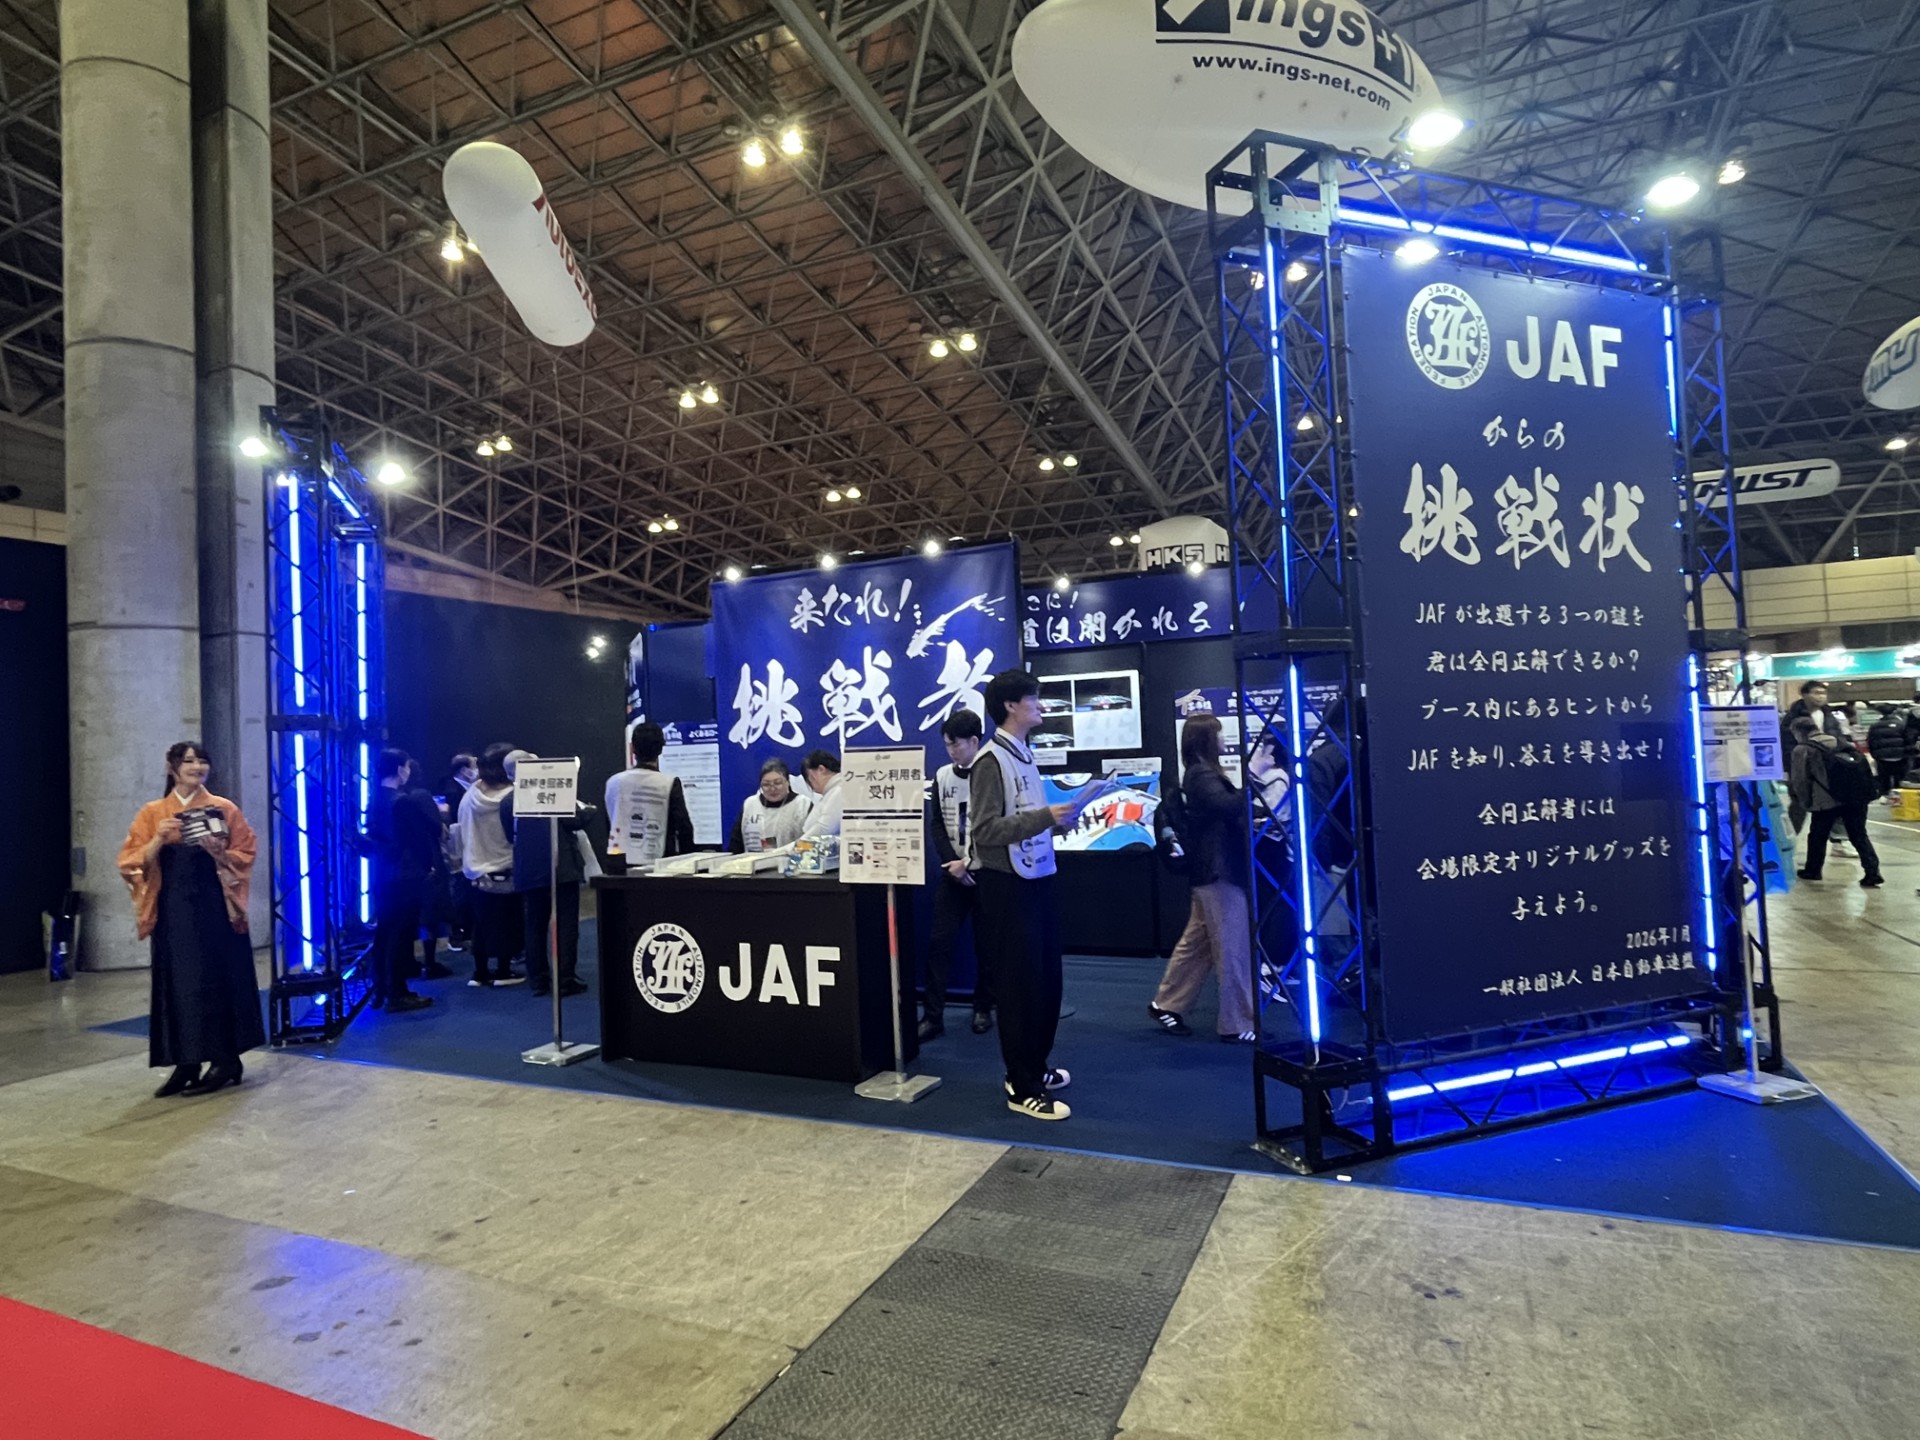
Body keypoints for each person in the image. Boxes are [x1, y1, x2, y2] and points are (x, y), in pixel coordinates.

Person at [116, 741, 265, 1097]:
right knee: (178, 983)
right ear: (172, 768)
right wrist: (158, 839)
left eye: (202, 761)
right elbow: (130, 862)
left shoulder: (223, 808)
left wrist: (220, 852)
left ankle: (225, 1060)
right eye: (188, 761)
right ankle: (186, 1061)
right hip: (173, 909)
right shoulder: (153, 812)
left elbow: (246, 851)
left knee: (216, 978)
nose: (197, 767)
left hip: (215, 907)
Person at [970, 669, 1086, 1121]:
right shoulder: (990, 760)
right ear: (1010, 706)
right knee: (1019, 987)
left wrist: (1056, 823)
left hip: (1037, 879)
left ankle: (1034, 1067)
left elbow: (1024, 819)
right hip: (1007, 886)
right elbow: (985, 831)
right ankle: (1022, 1086)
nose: (1040, 705)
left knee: (1045, 981)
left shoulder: (1023, 753)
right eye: (1033, 699)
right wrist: (1045, 818)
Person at [1147, 714, 1257, 1043]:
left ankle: (1166, 1004)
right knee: (1232, 948)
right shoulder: (1202, 774)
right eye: (1219, 734)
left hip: (1210, 871)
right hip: (1218, 871)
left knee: (1197, 944)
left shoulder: (1198, 773)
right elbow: (1228, 806)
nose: (1224, 739)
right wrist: (1255, 774)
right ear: (1207, 739)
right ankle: (1238, 1023)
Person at [921, 709, 993, 1041]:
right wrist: (953, 862)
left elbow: (994, 826)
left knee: (986, 944)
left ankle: (983, 1007)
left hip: (986, 872)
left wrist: (970, 862)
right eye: (947, 745)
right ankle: (932, 1016)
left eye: (957, 744)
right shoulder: (942, 775)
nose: (951, 751)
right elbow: (937, 824)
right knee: (939, 943)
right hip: (952, 874)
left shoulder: (992, 772)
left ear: (974, 741)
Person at [502, 749, 593, 999]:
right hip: (561, 865)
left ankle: (538, 980)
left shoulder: (508, 801)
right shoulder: (555, 792)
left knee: (534, 924)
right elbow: (575, 820)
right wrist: (589, 811)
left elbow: (510, 835)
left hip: (529, 868)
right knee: (566, 923)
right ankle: (565, 979)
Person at [365, 749, 438, 1013]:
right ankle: (397, 993)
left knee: (385, 933)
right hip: (405, 876)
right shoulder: (402, 801)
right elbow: (418, 840)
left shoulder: (376, 799)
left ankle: (382, 988)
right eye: (406, 766)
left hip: (383, 874)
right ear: (400, 769)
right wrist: (428, 866)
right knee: (401, 935)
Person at [458, 743, 526, 987]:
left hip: (476, 870)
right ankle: (503, 971)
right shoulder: (514, 796)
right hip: (506, 865)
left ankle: (480, 972)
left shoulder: (471, 795)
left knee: (480, 924)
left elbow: (462, 829)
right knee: (509, 922)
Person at [1789, 715, 1883, 887]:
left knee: (1817, 836)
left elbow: (1800, 780)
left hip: (1826, 800)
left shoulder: (1803, 749)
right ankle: (1872, 872)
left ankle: (1813, 870)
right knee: (1859, 835)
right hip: (1855, 798)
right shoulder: (1841, 742)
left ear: (1798, 732)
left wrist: (1805, 801)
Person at [604, 723, 694, 874]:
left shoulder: (614, 782)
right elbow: (684, 827)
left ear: (632, 748)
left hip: (618, 863)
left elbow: (610, 823)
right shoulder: (669, 783)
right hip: (661, 864)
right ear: (661, 749)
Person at [728, 758, 814, 853]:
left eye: (778, 783)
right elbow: (736, 843)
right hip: (754, 861)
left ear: (788, 782)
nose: (772, 789)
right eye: (766, 784)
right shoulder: (750, 804)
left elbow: (812, 842)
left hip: (792, 860)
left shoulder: (802, 804)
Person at [799, 749, 846, 837]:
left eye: (811, 779)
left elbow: (824, 828)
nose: (813, 789)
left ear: (821, 769)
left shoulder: (840, 790)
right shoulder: (832, 792)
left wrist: (796, 844)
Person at [1868, 705, 1909, 798]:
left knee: (1884, 780)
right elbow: (1908, 740)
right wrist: (1907, 754)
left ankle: (1885, 797)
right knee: (1900, 780)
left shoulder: (1875, 726)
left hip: (1882, 758)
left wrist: (1875, 755)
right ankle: (1900, 799)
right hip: (1900, 757)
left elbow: (1871, 742)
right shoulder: (1902, 725)